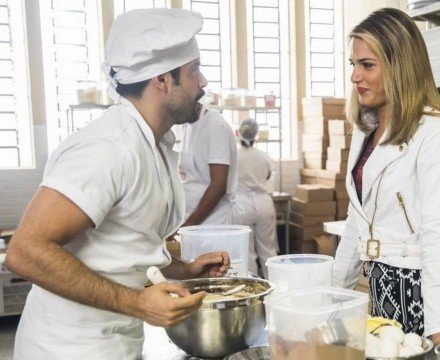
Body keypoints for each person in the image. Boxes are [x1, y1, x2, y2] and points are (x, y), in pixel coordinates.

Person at [5, 9, 230, 359]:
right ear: (162, 80)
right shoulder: (107, 148)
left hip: (115, 342)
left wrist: (182, 270)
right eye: (193, 70)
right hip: (67, 349)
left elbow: (120, 251)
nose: (202, 82)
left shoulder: (153, 145)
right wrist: (140, 303)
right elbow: (25, 252)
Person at [332, 8, 440, 346]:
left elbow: (438, 235)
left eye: (367, 65)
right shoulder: (366, 130)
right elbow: (357, 221)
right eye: (353, 65)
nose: (355, 77)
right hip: (382, 290)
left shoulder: (437, 133)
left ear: (400, 66)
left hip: (424, 294)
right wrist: (333, 297)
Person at [179, 98, 238, 226]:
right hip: (193, 220)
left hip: (211, 224)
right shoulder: (188, 125)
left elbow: (218, 186)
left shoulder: (215, 126)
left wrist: (187, 226)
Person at [232, 118, 278, 276]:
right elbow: (269, 177)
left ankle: (251, 291)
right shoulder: (263, 156)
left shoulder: (234, 156)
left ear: (238, 133)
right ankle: (275, 289)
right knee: (268, 251)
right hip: (263, 204)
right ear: (255, 135)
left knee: (246, 253)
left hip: (241, 205)